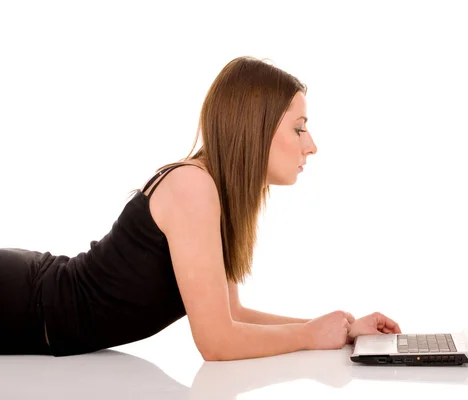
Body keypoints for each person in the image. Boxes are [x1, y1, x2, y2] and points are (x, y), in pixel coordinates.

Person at [0, 56, 401, 360]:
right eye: (299, 127)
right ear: (255, 128)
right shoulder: (193, 186)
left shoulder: (215, 194)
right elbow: (216, 341)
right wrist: (311, 336)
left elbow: (233, 315)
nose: (311, 144)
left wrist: (343, 331)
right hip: (21, 299)